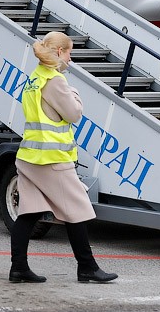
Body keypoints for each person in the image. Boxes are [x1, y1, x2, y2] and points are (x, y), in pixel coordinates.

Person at [9, 31, 118, 284]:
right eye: (69, 52)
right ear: (59, 52)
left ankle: (19, 268)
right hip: (51, 159)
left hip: (29, 156)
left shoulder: (35, 77)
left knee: (29, 213)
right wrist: (75, 94)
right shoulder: (56, 81)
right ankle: (87, 267)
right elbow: (73, 114)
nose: (71, 58)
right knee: (77, 209)